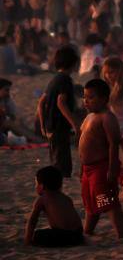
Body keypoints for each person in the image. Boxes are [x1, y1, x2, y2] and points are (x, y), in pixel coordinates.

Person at [79, 78, 123, 238]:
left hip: (102, 166)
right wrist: (81, 168)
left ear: (104, 99)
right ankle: (88, 230)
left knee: (107, 201)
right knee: (91, 202)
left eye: (91, 97)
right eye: (85, 97)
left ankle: (121, 235)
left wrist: (112, 169)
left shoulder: (107, 118)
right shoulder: (89, 117)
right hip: (88, 168)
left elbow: (114, 144)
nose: (86, 101)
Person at [39, 46, 80, 178]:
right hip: (59, 127)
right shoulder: (65, 79)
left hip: (51, 126)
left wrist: (42, 125)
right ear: (73, 63)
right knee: (62, 165)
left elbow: (41, 103)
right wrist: (74, 124)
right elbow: (61, 102)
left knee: (56, 159)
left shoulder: (54, 80)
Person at [24, 166, 84, 247]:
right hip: (78, 234)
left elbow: (32, 221)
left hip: (64, 236)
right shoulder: (66, 198)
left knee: (37, 235)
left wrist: (27, 241)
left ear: (41, 186)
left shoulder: (42, 199)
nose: (35, 187)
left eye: (36, 184)